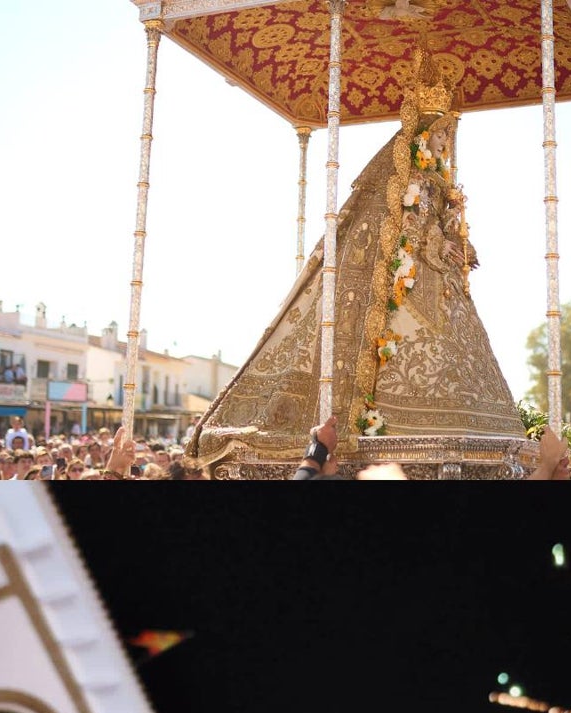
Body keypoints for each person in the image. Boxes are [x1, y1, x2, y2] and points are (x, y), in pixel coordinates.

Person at [189, 46, 525, 473]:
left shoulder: (436, 183)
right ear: (422, 133)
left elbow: (442, 227)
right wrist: (441, 244)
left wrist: (462, 248)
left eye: (447, 137)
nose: (444, 143)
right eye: (440, 135)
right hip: (408, 276)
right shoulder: (413, 178)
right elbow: (416, 226)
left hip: (435, 281)